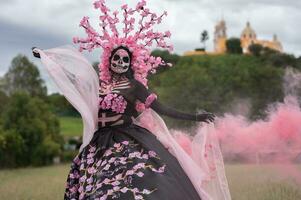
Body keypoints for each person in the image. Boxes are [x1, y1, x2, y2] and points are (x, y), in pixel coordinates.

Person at [32, 1, 231, 199]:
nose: (120, 62)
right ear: (108, 60)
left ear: (130, 62)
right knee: (96, 190)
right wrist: (46, 57)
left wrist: (195, 117)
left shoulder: (135, 86)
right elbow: (74, 77)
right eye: (116, 58)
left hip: (126, 139)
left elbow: (162, 109)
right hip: (99, 142)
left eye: (124, 59)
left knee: (130, 187)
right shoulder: (99, 85)